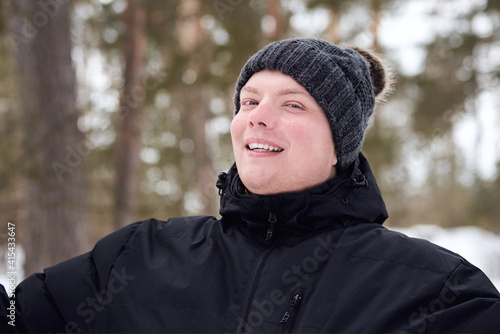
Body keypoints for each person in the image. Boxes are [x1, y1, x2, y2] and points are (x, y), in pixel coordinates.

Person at [2, 38, 500, 333]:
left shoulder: (436, 291)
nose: (257, 119)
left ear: (340, 143)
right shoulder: (139, 256)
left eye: (292, 104)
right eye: (249, 102)